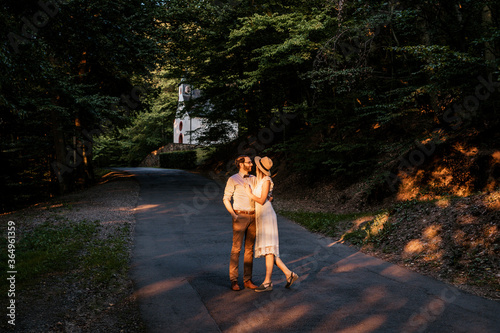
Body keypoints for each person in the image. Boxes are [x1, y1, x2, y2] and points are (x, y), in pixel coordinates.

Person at [244, 156, 298, 292]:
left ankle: (268, 282)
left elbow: (262, 200)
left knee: (269, 249)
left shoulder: (267, 180)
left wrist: (250, 194)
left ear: (259, 167)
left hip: (267, 215)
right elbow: (268, 197)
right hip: (261, 216)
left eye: (256, 165)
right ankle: (288, 274)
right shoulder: (260, 180)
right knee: (269, 250)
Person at [223, 155, 259, 291]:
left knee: (249, 250)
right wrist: (233, 214)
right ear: (241, 164)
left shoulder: (254, 179)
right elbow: (226, 198)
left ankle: (247, 280)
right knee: (236, 249)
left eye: (251, 163)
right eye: (249, 163)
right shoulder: (233, 179)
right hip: (239, 216)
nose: (251, 165)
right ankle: (233, 280)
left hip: (253, 216)